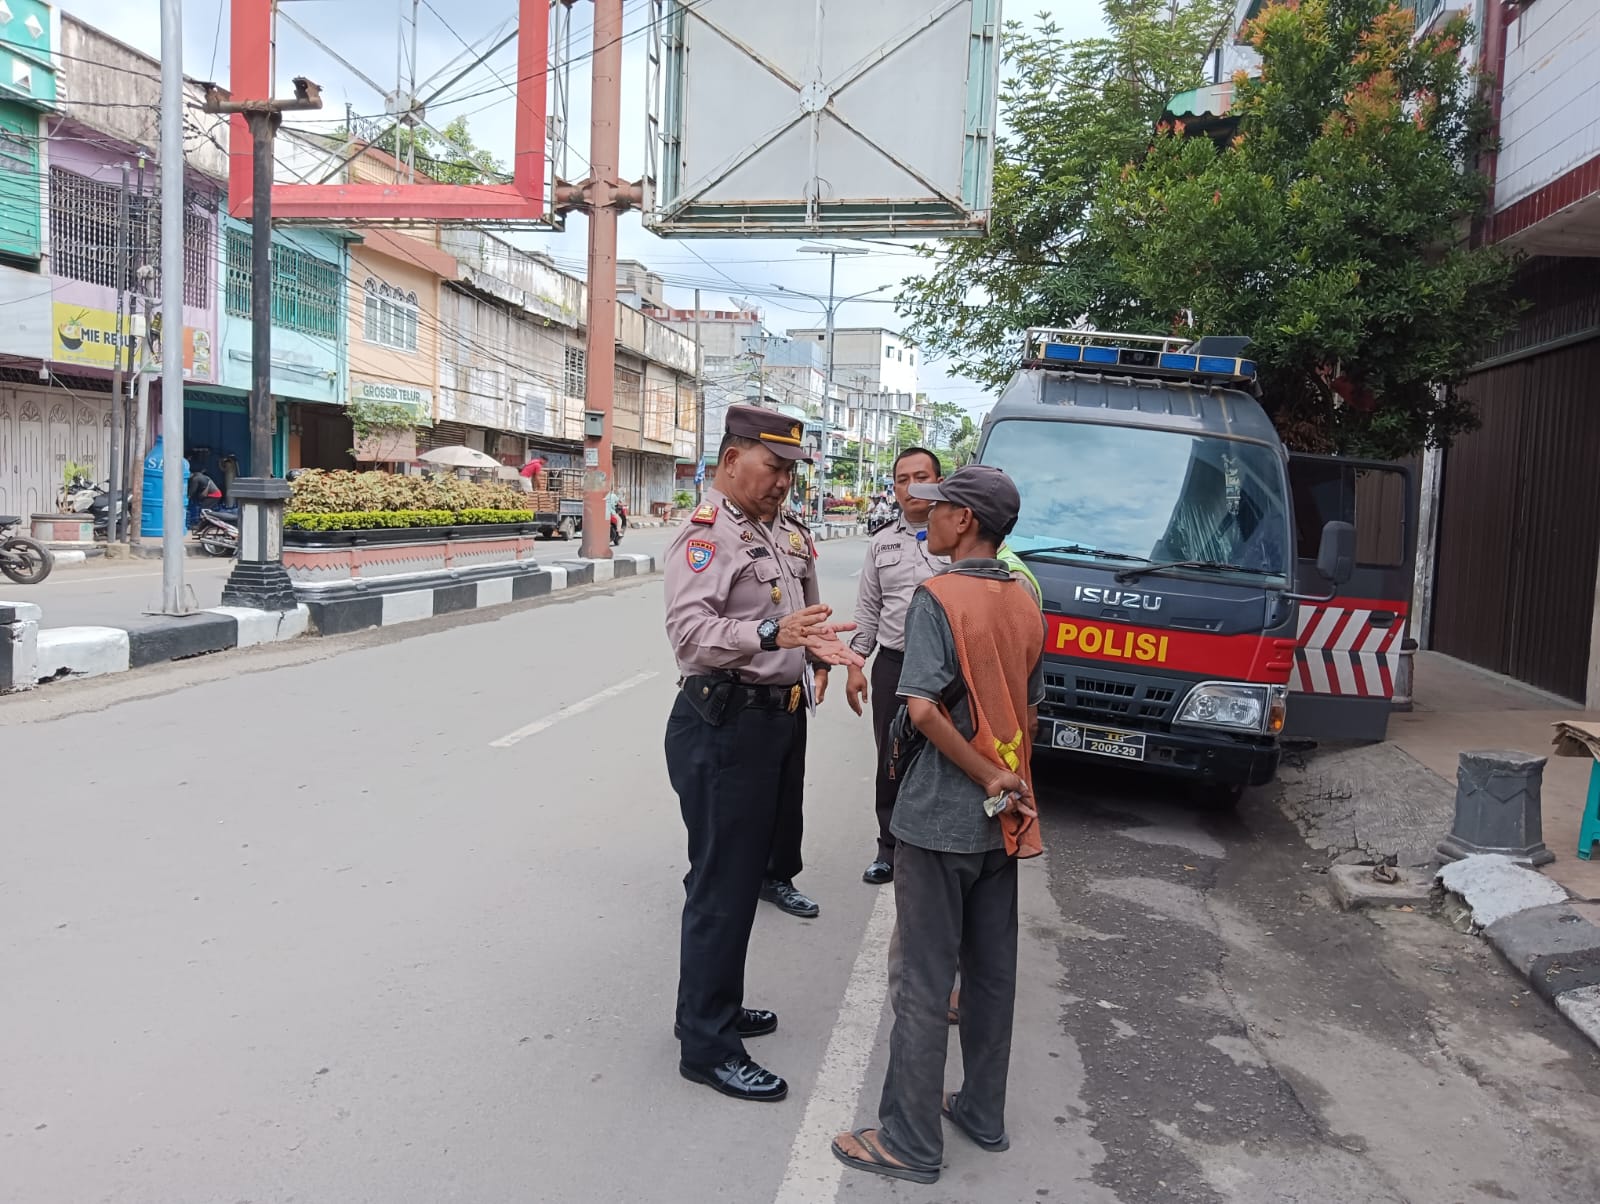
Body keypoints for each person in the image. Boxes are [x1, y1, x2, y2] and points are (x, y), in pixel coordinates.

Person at [833, 464, 1045, 1185]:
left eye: (942, 507)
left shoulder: (939, 596)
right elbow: (1028, 708)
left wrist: (984, 774)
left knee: (924, 981)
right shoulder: (1025, 599)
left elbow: (920, 707)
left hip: (937, 817)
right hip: (1001, 821)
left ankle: (909, 1141)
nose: (931, 516)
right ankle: (982, 1111)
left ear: (967, 522)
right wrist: (1010, 784)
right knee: (989, 976)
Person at [663, 404, 864, 1103]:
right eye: (773, 467)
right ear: (729, 461)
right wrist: (776, 634)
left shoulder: (777, 531)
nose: (784, 481)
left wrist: (819, 648)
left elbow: (796, 618)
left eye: (790, 471)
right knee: (721, 887)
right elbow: (691, 636)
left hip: (772, 722)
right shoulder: (706, 536)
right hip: (724, 725)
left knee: (742, 878)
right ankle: (706, 1044)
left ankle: (715, 1003)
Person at [845, 447, 947, 886]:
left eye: (920, 477)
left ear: (939, 481)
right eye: (902, 479)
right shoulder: (881, 541)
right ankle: (888, 848)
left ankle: (934, 847)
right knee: (891, 757)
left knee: (942, 756)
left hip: (945, 670)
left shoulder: (958, 536)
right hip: (892, 664)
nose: (911, 488)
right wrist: (854, 665)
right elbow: (868, 610)